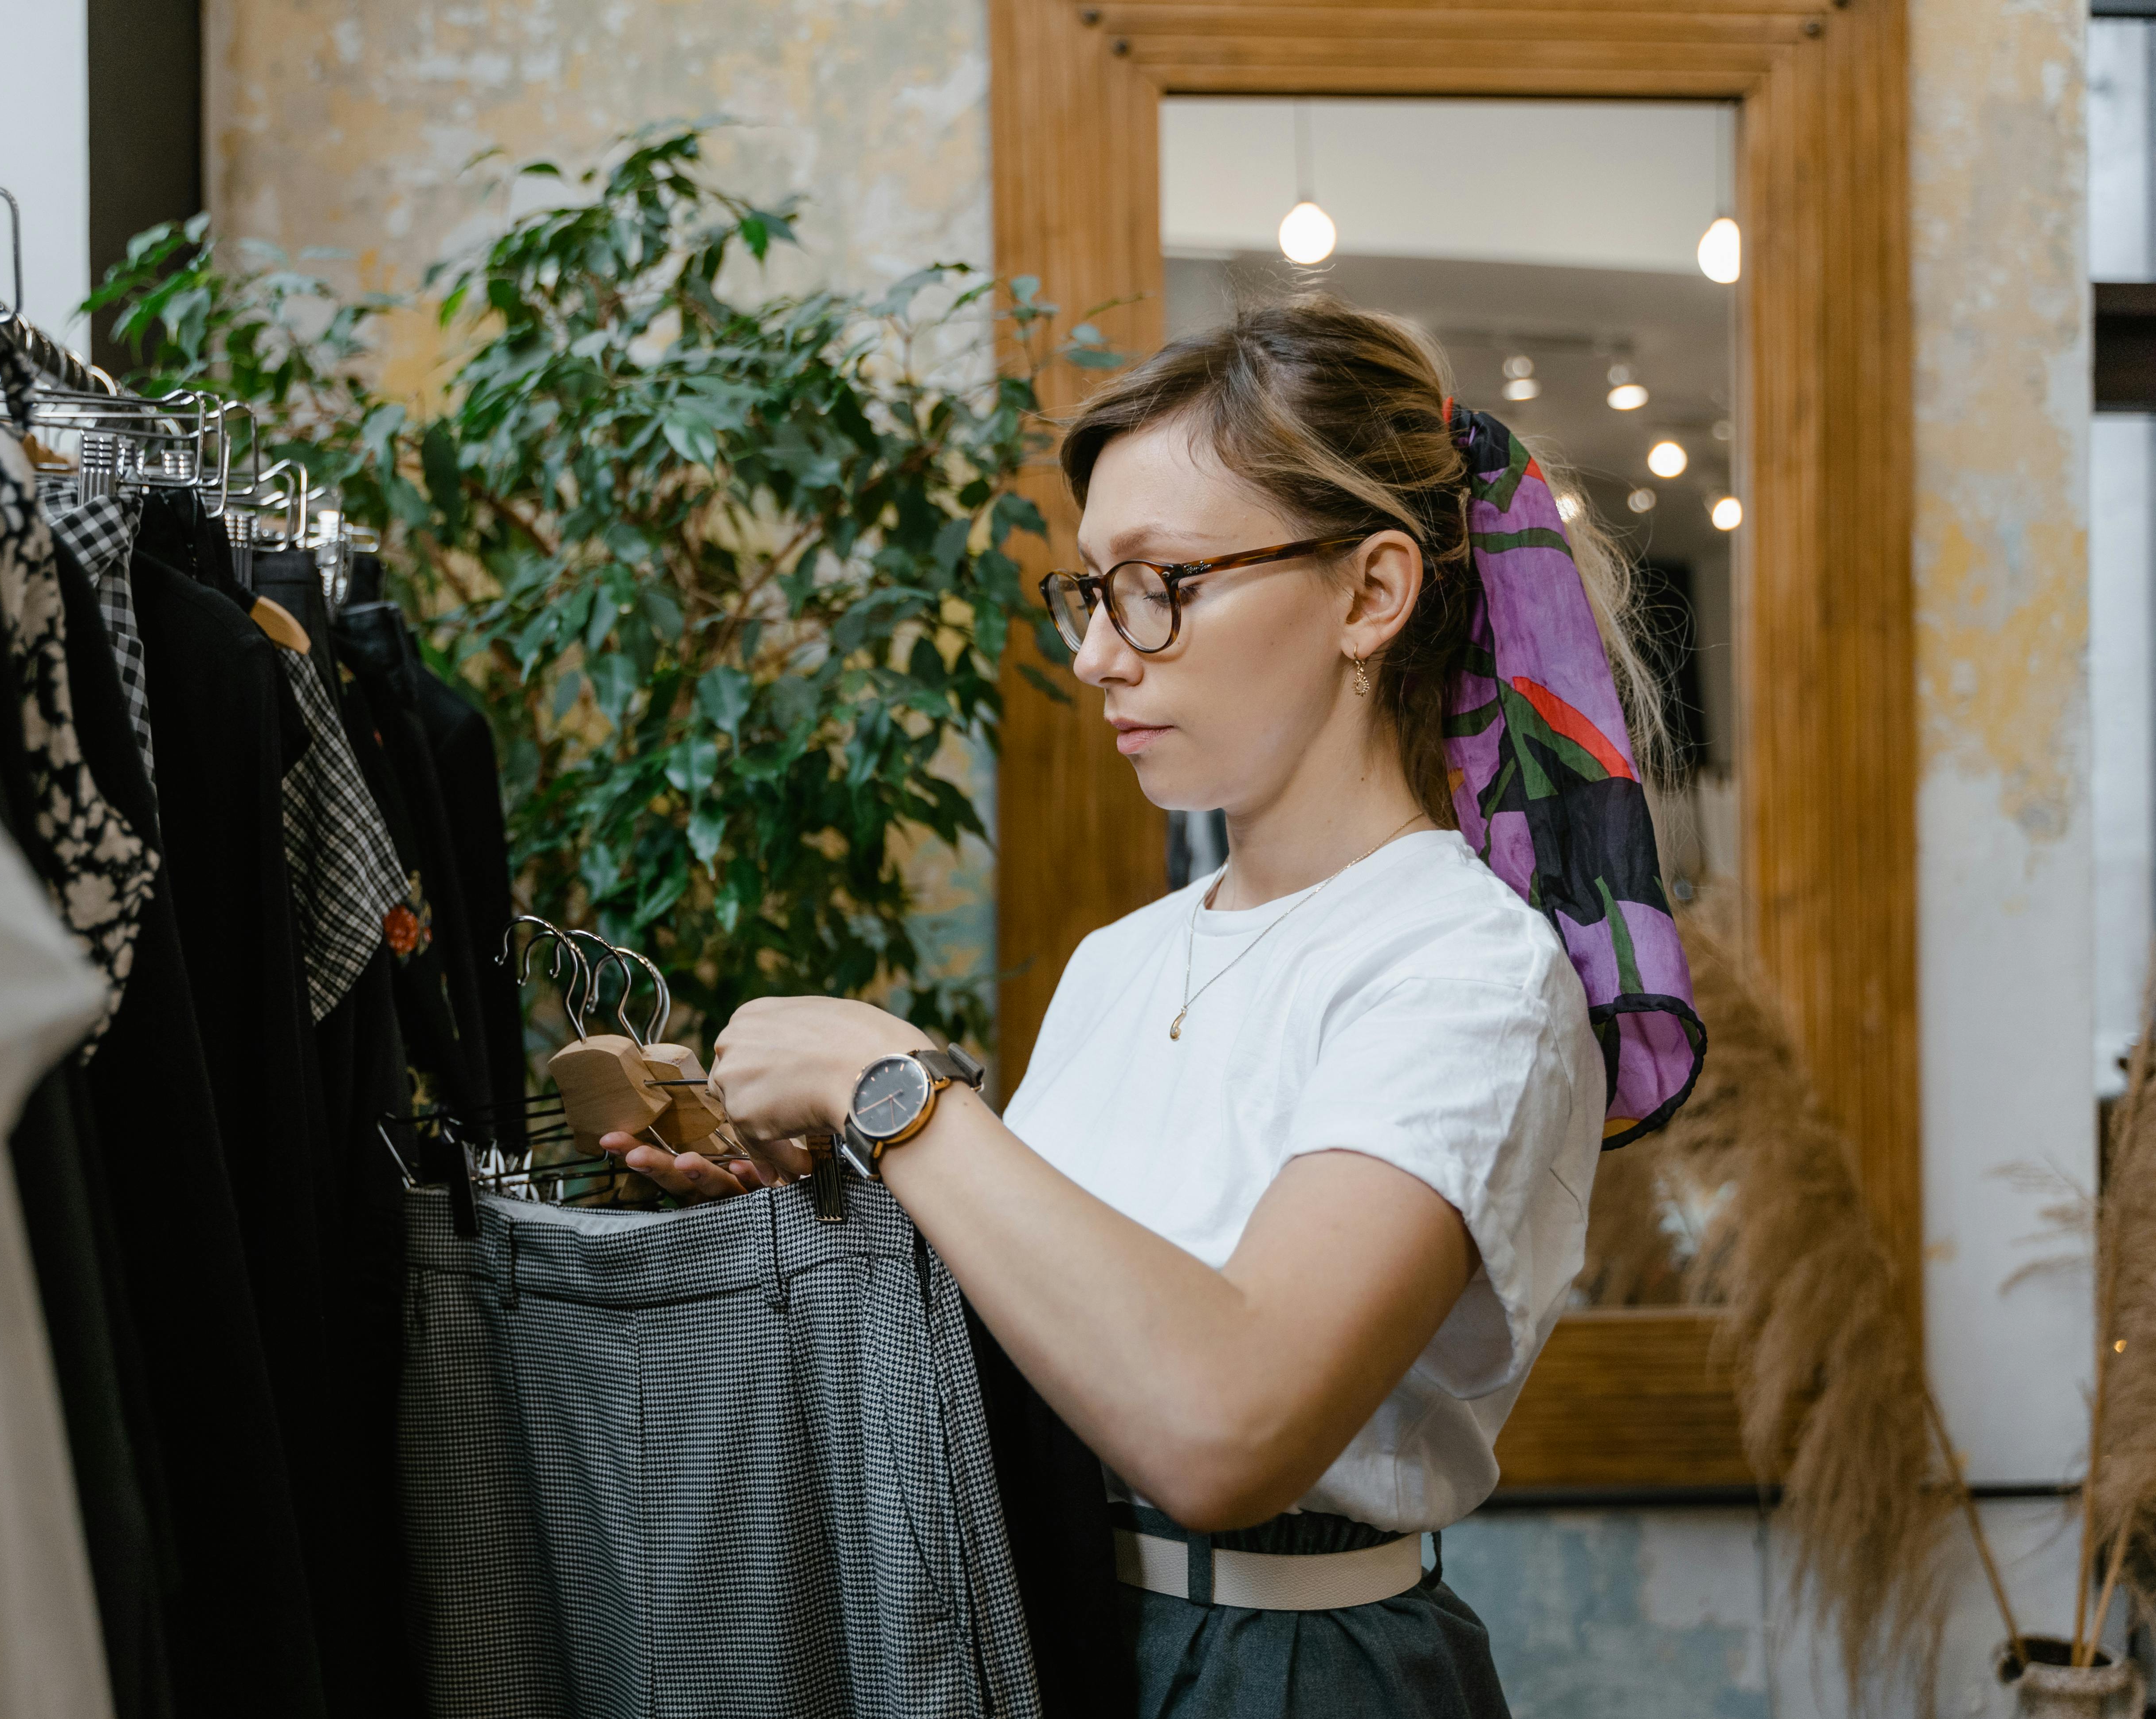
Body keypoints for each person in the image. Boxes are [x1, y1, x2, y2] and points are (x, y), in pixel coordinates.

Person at [601, 292, 1704, 1716]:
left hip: (1288, 1669)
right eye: (1090, 591)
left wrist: (895, 1084)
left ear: (1372, 593)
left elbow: (1224, 1421)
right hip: (1042, 1629)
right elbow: (1067, 1329)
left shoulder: (1468, 969)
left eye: (1161, 583)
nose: (1099, 653)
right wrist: (830, 1199)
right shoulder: (1120, 960)